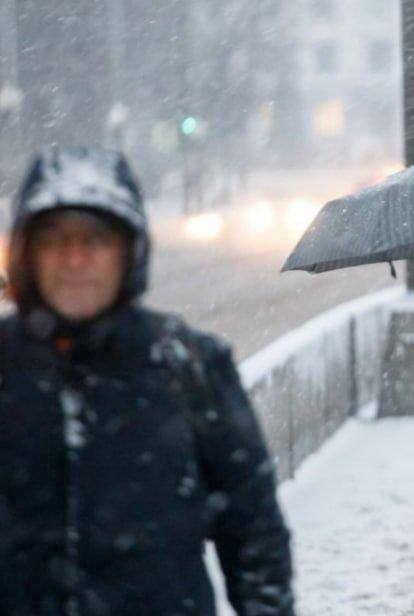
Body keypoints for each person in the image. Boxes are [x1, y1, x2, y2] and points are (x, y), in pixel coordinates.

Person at [0, 147, 294, 615]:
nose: (75, 259)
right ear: (27, 254)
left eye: (95, 240)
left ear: (128, 252)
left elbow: (254, 533)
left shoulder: (190, 365)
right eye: (55, 240)